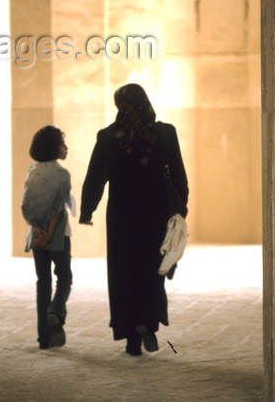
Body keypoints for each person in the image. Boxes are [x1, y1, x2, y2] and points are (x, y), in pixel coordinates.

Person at [79, 83, 189, 356]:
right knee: (153, 268)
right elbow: (179, 177)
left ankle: (131, 341)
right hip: (156, 213)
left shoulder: (108, 137)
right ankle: (147, 322)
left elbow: (95, 177)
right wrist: (180, 209)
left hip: (121, 215)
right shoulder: (165, 133)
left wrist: (87, 210)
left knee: (123, 271)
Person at [21, 125, 76, 349]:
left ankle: (43, 338)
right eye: (63, 144)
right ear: (55, 148)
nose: (67, 148)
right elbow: (57, 209)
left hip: (35, 235)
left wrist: (38, 230)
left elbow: (27, 205)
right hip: (58, 235)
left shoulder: (32, 171)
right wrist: (50, 235)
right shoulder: (62, 174)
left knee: (42, 283)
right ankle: (56, 311)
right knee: (64, 277)